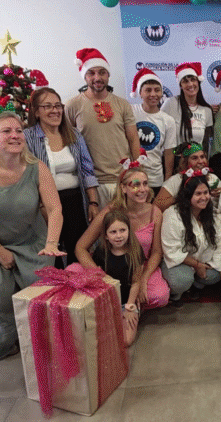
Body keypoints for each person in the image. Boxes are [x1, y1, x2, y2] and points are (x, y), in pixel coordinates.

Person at [0, 112, 65, 361]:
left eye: (18, 131)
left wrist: (51, 243)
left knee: (39, 296)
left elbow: (54, 209)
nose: (15, 136)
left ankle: (40, 339)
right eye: (6, 131)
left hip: (33, 243)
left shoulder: (37, 168)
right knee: (1, 300)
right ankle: (4, 340)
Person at [75, 161, 170, 311]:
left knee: (160, 295)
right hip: (110, 266)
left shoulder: (155, 212)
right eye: (136, 185)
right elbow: (80, 247)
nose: (142, 189)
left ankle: (124, 306)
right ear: (123, 188)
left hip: (138, 267)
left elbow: (157, 252)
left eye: (145, 184)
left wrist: (143, 279)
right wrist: (100, 276)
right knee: (73, 275)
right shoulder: (110, 212)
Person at [24, 86, 100, 267]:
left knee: (77, 251)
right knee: (51, 253)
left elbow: (87, 170)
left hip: (75, 201)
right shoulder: (27, 137)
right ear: (36, 111)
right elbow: (25, 176)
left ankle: (77, 282)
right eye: (48, 106)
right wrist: (40, 205)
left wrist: (93, 202)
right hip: (43, 205)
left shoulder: (73, 135)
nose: (55, 110)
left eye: (58, 105)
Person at [64, 48, 140, 206]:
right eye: (91, 73)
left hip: (123, 179)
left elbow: (133, 139)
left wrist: (138, 171)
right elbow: (68, 142)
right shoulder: (72, 105)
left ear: (108, 75)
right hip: (92, 183)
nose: (97, 77)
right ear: (84, 76)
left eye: (102, 72)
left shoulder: (122, 104)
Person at [161, 173, 221, 303]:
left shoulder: (215, 215)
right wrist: (197, 265)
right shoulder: (172, 215)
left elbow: (220, 246)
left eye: (206, 193)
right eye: (198, 194)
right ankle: (176, 294)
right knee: (181, 280)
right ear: (188, 196)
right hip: (179, 262)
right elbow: (172, 251)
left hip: (203, 261)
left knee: (215, 275)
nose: (203, 197)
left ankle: (196, 285)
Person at [91, 210, 145, 346]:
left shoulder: (136, 251)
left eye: (122, 230)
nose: (119, 236)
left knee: (126, 340)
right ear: (106, 235)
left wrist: (129, 307)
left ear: (129, 230)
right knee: (101, 338)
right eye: (113, 232)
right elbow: (97, 280)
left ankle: (134, 314)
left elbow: (136, 282)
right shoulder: (100, 252)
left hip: (127, 301)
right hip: (108, 302)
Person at [130, 68, 178, 195]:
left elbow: (169, 153)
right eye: (148, 90)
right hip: (132, 177)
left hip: (155, 179)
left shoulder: (168, 120)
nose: (153, 94)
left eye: (157, 90)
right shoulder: (130, 112)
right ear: (140, 93)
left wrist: (167, 182)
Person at [160, 62, 214, 152]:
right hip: (175, 158)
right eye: (185, 81)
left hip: (197, 159)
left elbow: (205, 143)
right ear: (181, 85)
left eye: (193, 80)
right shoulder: (171, 103)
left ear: (198, 82)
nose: (190, 84)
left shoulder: (207, 110)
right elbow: (159, 129)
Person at [154, 141, 221, 211]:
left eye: (202, 157)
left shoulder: (213, 178)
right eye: (194, 158)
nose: (201, 161)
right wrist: (182, 196)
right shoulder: (176, 180)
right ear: (185, 162)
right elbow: (156, 207)